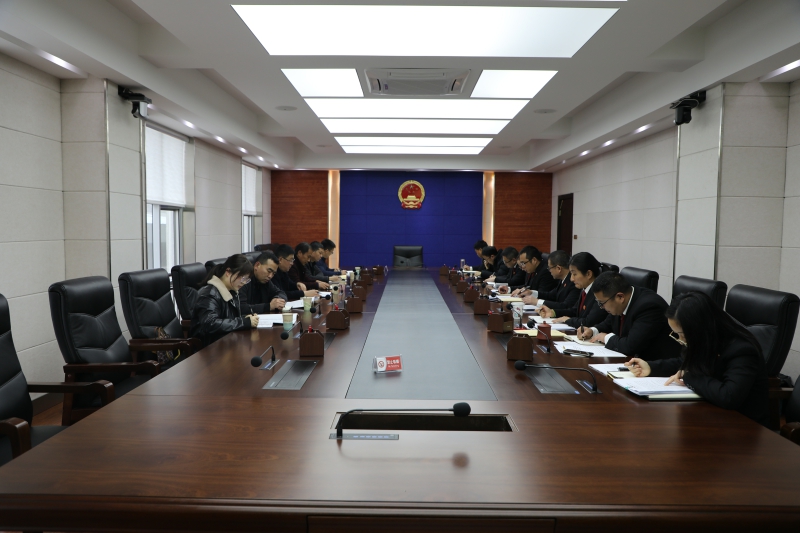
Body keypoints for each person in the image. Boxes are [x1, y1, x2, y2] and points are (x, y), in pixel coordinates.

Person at [625, 292, 769, 427]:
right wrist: (651, 367)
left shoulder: (742, 350)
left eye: (682, 334)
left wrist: (689, 376)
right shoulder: (707, 338)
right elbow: (685, 362)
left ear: (699, 328)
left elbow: (729, 396)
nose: (681, 340)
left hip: (742, 427)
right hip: (710, 416)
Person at [581, 271, 681, 360]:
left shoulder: (649, 306)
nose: (601, 307)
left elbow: (630, 346)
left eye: (602, 303)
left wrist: (606, 338)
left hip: (656, 366)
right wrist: (593, 331)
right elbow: (609, 323)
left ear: (620, 297)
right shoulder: (621, 301)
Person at [191, 254, 259, 347]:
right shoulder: (209, 294)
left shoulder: (232, 291)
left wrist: (245, 318)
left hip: (225, 342)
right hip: (208, 348)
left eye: (246, 280)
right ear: (228, 272)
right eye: (242, 278)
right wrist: (244, 322)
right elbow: (210, 324)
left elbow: (227, 318)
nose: (243, 283)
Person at [539, 252, 607, 329]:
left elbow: (588, 322)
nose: (571, 279)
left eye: (574, 274)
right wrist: (553, 312)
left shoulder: (600, 293)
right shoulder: (584, 289)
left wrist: (568, 320)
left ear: (588, 274)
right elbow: (574, 311)